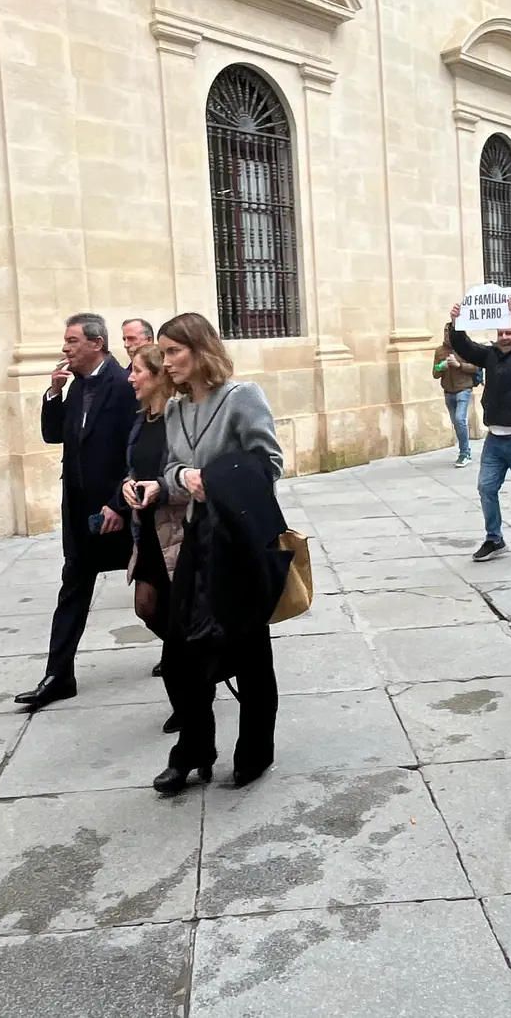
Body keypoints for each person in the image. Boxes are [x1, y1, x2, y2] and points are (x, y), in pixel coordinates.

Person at [132, 313, 288, 794]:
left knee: (250, 651)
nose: (167, 361)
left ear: (201, 350)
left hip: (239, 543)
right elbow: (175, 468)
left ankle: (255, 751)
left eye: (175, 351)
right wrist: (177, 482)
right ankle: (194, 751)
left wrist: (213, 479)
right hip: (198, 542)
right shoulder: (176, 410)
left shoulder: (243, 398)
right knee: (181, 655)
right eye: (164, 351)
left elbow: (270, 463)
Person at [17, 313, 137, 711]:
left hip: (119, 510)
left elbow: (136, 451)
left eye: (72, 341)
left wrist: (119, 503)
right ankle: (58, 675)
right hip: (80, 510)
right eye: (66, 341)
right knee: (73, 587)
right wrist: (53, 394)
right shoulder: (76, 386)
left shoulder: (124, 385)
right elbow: (55, 436)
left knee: (156, 591)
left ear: (97, 343)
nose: (65, 348)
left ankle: (188, 656)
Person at [446, 297, 511, 563]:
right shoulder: (490, 355)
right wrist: (456, 323)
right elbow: (465, 347)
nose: (504, 337)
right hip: (495, 439)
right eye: (500, 333)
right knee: (486, 488)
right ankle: (494, 539)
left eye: (510, 333)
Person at [119, 342, 186, 731]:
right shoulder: (141, 419)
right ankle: (198, 661)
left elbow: (188, 471)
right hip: (145, 531)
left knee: (178, 619)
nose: (130, 377)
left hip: (176, 533)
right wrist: (126, 487)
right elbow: (132, 468)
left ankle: (188, 698)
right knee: (147, 608)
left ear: (159, 375)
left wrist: (162, 485)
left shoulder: (180, 418)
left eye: (138, 371)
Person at [433, 333, 480, 467]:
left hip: (463, 389)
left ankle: (465, 453)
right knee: (456, 423)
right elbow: (435, 373)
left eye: (450, 332)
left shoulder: (465, 347)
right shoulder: (440, 351)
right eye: (445, 332)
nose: (447, 335)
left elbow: (476, 367)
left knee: (460, 419)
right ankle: (464, 450)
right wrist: (440, 368)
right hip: (448, 391)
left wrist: (458, 365)